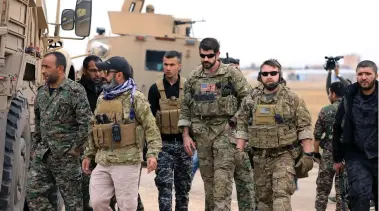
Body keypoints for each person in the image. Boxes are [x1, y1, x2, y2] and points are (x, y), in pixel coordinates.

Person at [178, 37, 254, 211]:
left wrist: (236, 119)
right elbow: (185, 107)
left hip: (225, 135)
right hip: (202, 136)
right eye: (202, 56)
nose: (206, 59)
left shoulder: (231, 74)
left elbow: (248, 98)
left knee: (222, 184)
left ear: (218, 54)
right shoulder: (194, 77)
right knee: (209, 186)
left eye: (209, 56)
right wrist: (186, 135)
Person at [81, 56, 162, 211]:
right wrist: (88, 154)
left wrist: (152, 154)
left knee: (126, 206)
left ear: (118, 75)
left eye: (106, 72)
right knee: (97, 202)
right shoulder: (102, 97)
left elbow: (151, 128)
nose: (102, 75)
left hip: (127, 161)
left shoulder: (135, 98)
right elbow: (95, 127)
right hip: (103, 161)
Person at [235, 59, 314, 211]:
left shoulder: (292, 98)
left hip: (283, 155)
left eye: (273, 73)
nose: (269, 76)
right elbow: (242, 125)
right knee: (263, 202)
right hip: (259, 157)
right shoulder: (251, 98)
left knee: (281, 198)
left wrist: (308, 154)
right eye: (265, 73)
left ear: (279, 75)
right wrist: (239, 151)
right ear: (260, 76)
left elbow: (304, 127)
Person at [26, 51, 92, 210]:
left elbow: (86, 123)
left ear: (60, 69)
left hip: (66, 157)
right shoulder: (41, 92)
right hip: (44, 155)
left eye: (47, 67)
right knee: (33, 192)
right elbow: (39, 121)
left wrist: (76, 148)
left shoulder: (75, 90)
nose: (43, 71)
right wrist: (35, 148)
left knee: (73, 203)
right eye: (42, 67)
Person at [148, 51, 192, 210]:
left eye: (172, 65)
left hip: (183, 146)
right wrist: (151, 149)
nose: (168, 68)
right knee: (164, 188)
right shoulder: (155, 89)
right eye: (165, 64)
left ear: (179, 66)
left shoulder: (188, 88)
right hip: (163, 146)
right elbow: (150, 122)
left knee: (183, 190)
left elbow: (194, 116)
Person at [333, 60, 378, 211]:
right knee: (360, 196)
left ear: (376, 75)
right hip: (357, 156)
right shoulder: (349, 97)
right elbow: (337, 127)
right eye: (360, 74)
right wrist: (337, 158)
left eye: (368, 74)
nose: (364, 77)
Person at [314, 81, 347, 211]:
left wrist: (316, 154)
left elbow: (317, 136)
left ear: (333, 94)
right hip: (345, 157)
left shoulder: (326, 110)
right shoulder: (351, 110)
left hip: (328, 155)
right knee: (342, 192)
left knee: (322, 190)